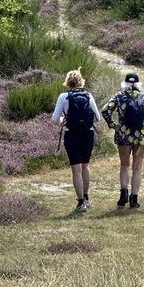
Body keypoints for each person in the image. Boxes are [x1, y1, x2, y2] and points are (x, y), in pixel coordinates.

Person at [101, 72, 144, 209]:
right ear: (138, 84)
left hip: (123, 136)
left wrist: (113, 125)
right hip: (140, 136)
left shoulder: (119, 97)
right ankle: (134, 199)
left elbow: (105, 110)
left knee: (124, 165)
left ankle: (123, 194)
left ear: (125, 84)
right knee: (137, 168)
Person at [51, 69, 102, 213]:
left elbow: (54, 119)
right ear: (81, 82)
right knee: (85, 167)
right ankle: (86, 197)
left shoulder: (63, 97)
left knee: (76, 170)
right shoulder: (88, 95)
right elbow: (97, 118)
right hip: (88, 134)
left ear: (68, 83)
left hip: (71, 135)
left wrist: (64, 120)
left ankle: (81, 202)